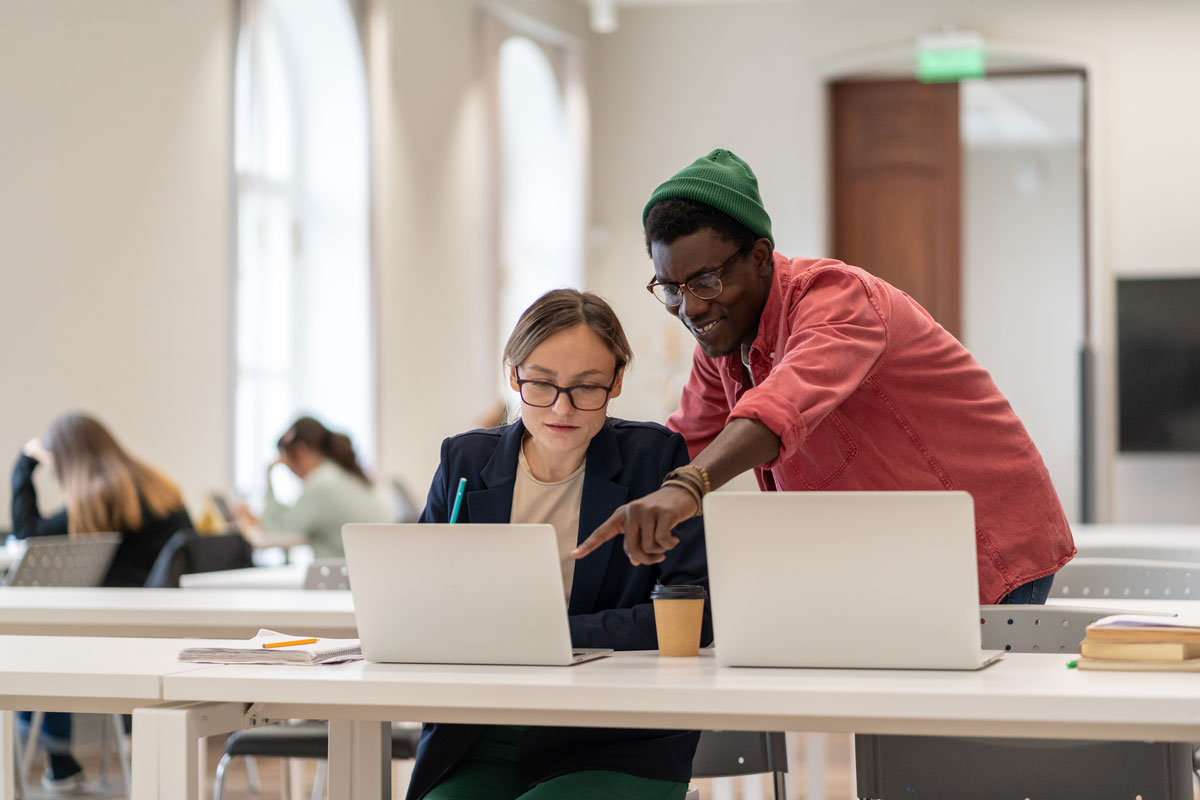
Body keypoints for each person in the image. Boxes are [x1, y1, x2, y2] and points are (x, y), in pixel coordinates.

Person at [574, 148, 1075, 606]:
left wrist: (687, 487)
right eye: (672, 289)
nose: (692, 307)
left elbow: (780, 407)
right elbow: (680, 443)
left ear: (759, 256)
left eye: (706, 281)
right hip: (894, 557)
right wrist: (563, 481)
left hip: (985, 545)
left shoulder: (838, 300)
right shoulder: (724, 345)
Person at [408, 289, 711, 800]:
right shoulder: (464, 463)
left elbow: (695, 613)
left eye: (587, 387)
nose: (562, 408)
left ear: (616, 382)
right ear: (514, 377)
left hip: (615, 734)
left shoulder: (653, 459)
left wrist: (549, 636)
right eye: (542, 385)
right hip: (480, 732)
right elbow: (416, 598)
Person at [10, 411, 193, 791]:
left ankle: (59, 764)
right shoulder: (156, 485)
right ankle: (60, 764)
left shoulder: (102, 495)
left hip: (128, 630)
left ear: (66, 458)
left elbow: (31, 536)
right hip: (168, 621)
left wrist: (23, 467)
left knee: (33, 644)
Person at [246, 416, 392, 558]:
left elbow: (277, 529)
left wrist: (269, 476)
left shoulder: (322, 484)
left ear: (301, 452)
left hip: (344, 577)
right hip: (369, 571)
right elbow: (295, 516)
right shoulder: (341, 475)